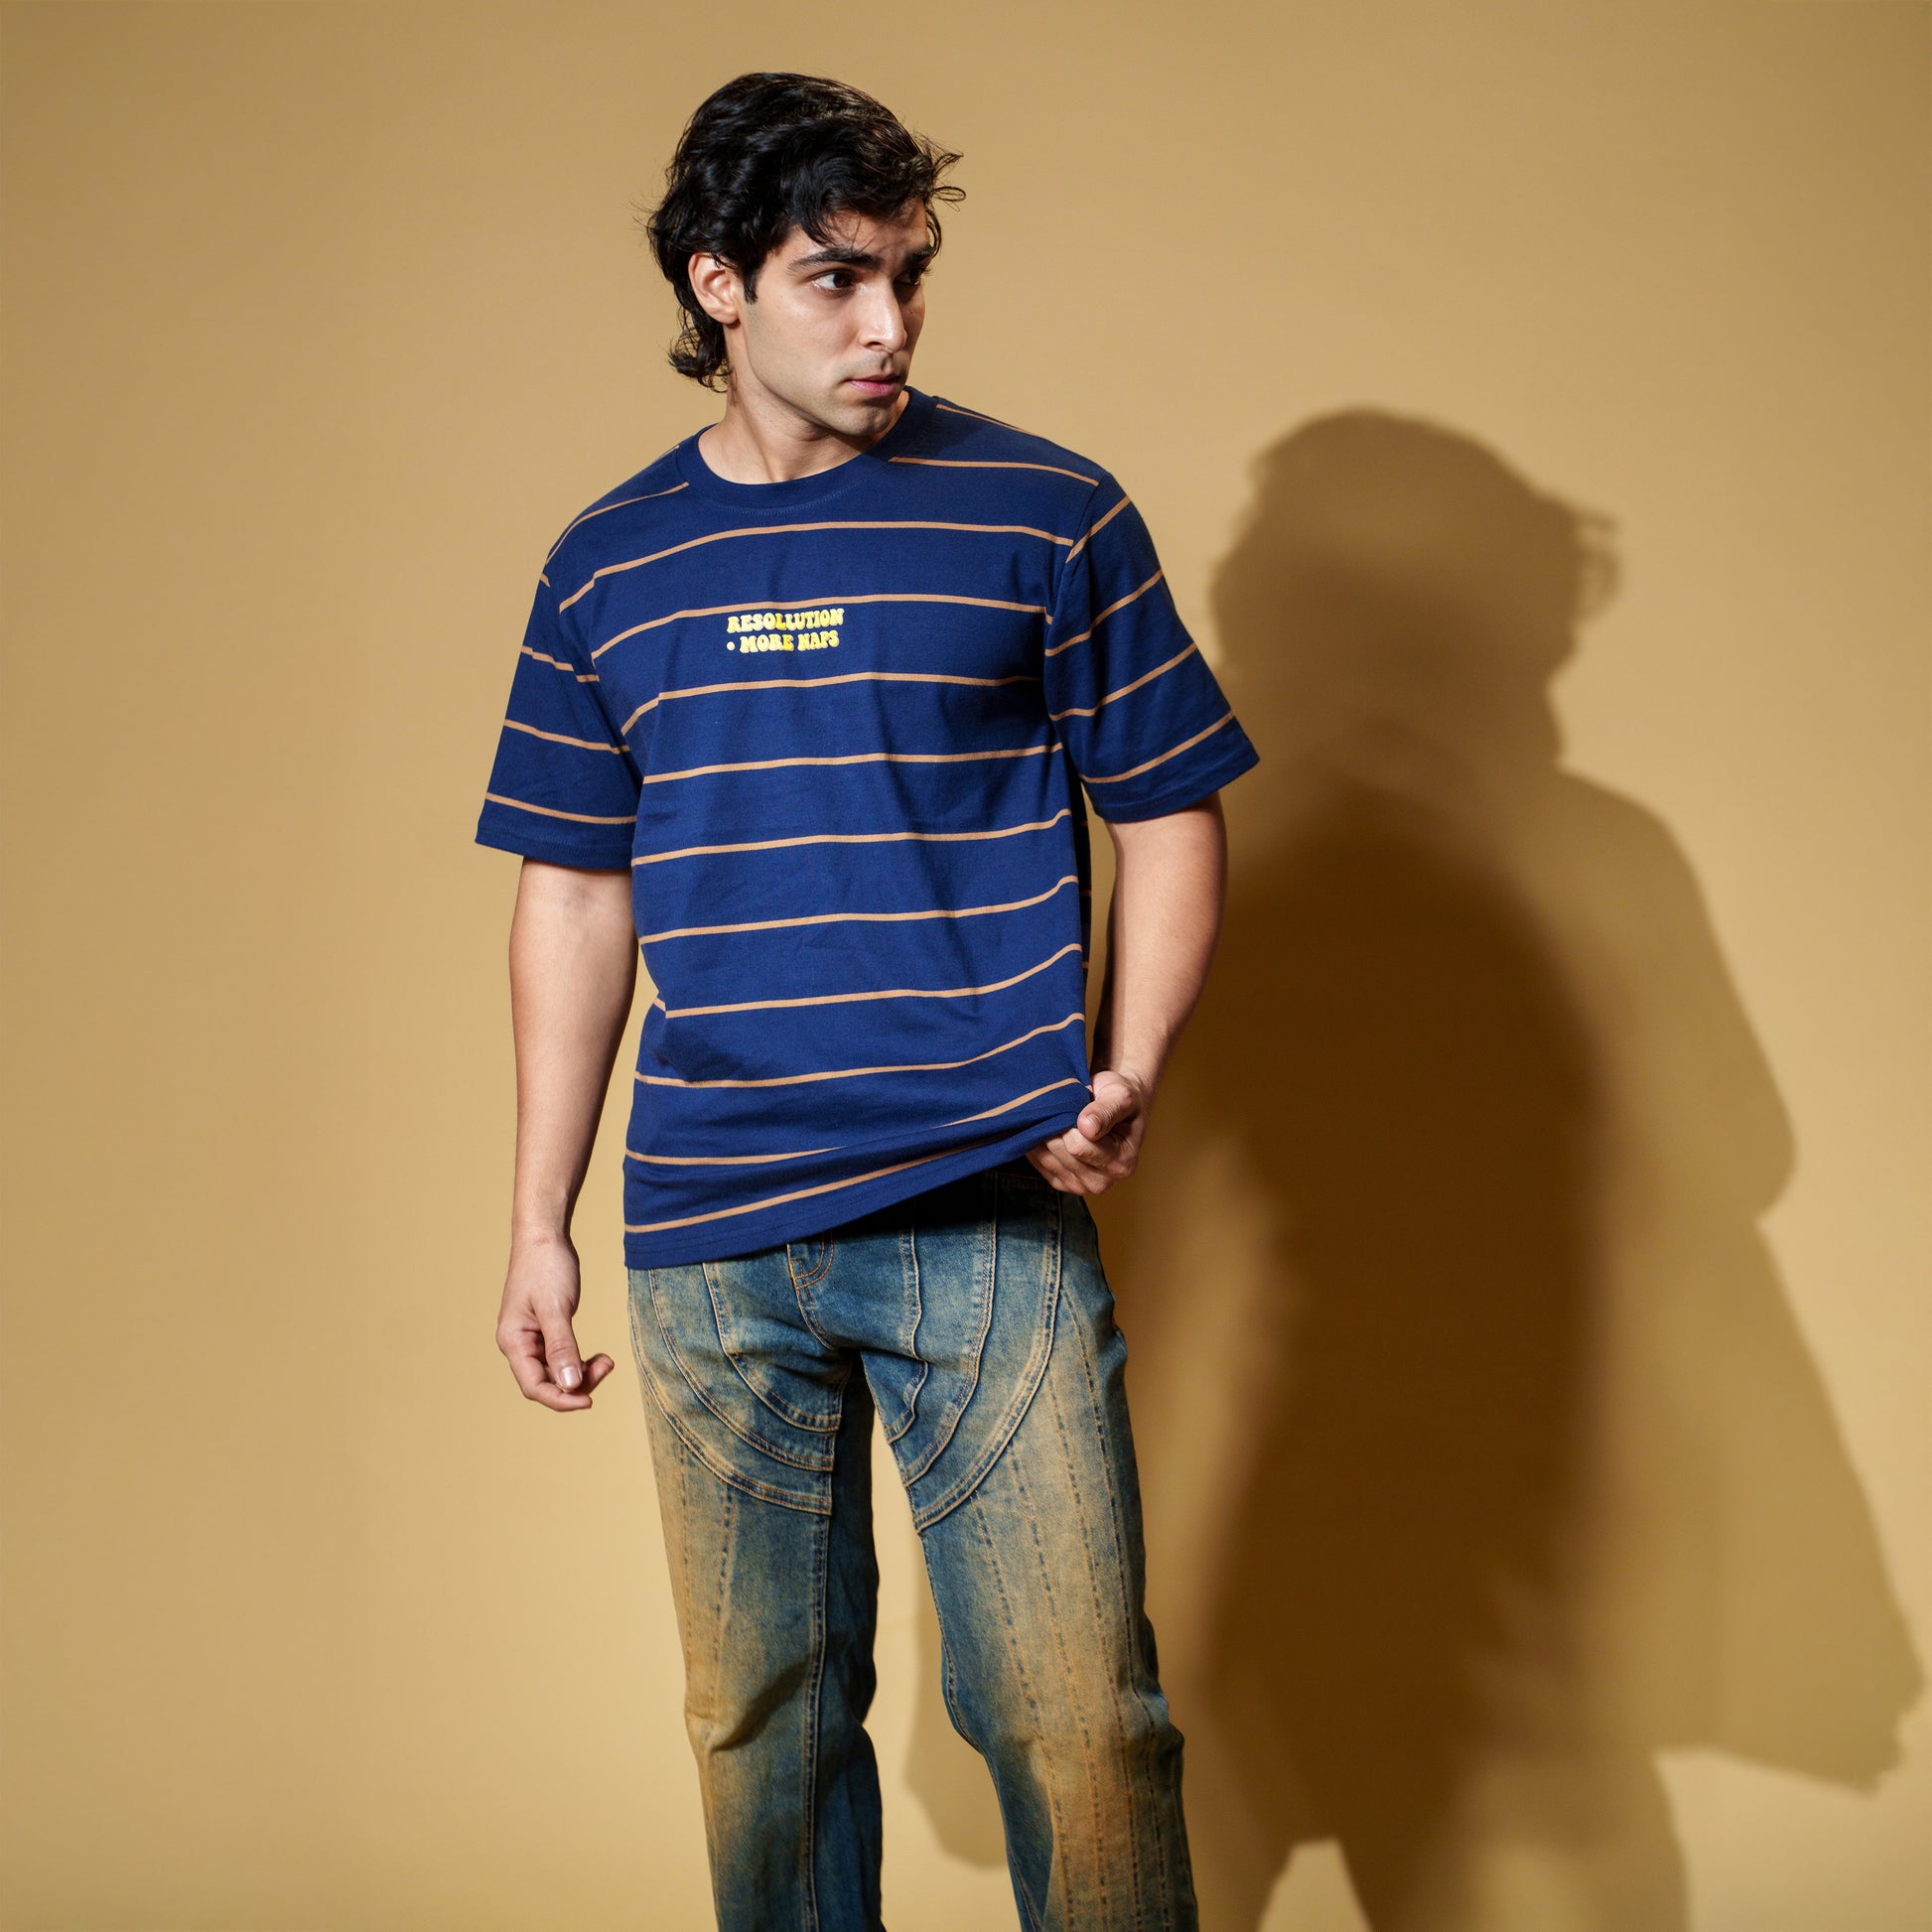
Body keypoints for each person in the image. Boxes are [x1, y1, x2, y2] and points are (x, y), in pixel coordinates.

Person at [474, 70, 1259, 1932]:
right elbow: (574, 890)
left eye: (909, 274)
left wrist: (1129, 1065)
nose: (889, 322)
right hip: (709, 1235)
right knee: (760, 1730)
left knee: (1079, 1724)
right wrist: (536, 1220)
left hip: (980, 1210)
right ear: (719, 283)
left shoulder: (1044, 510)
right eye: (838, 278)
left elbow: (1168, 808)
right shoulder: (606, 561)